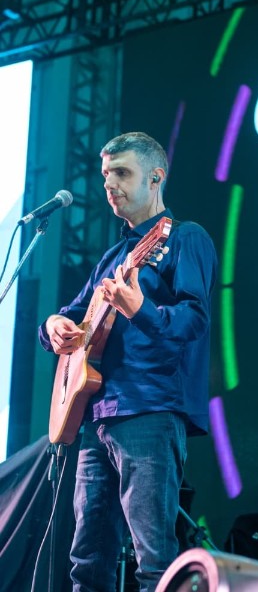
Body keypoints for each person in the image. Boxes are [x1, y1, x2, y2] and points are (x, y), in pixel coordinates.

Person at [39, 132, 217, 591]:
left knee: (153, 559)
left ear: (156, 177)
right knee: (87, 560)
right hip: (97, 415)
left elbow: (195, 319)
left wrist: (140, 309)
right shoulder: (113, 257)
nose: (109, 184)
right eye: (105, 175)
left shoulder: (184, 238)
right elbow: (72, 315)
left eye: (122, 173)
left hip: (150, 412)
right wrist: (55, 324)